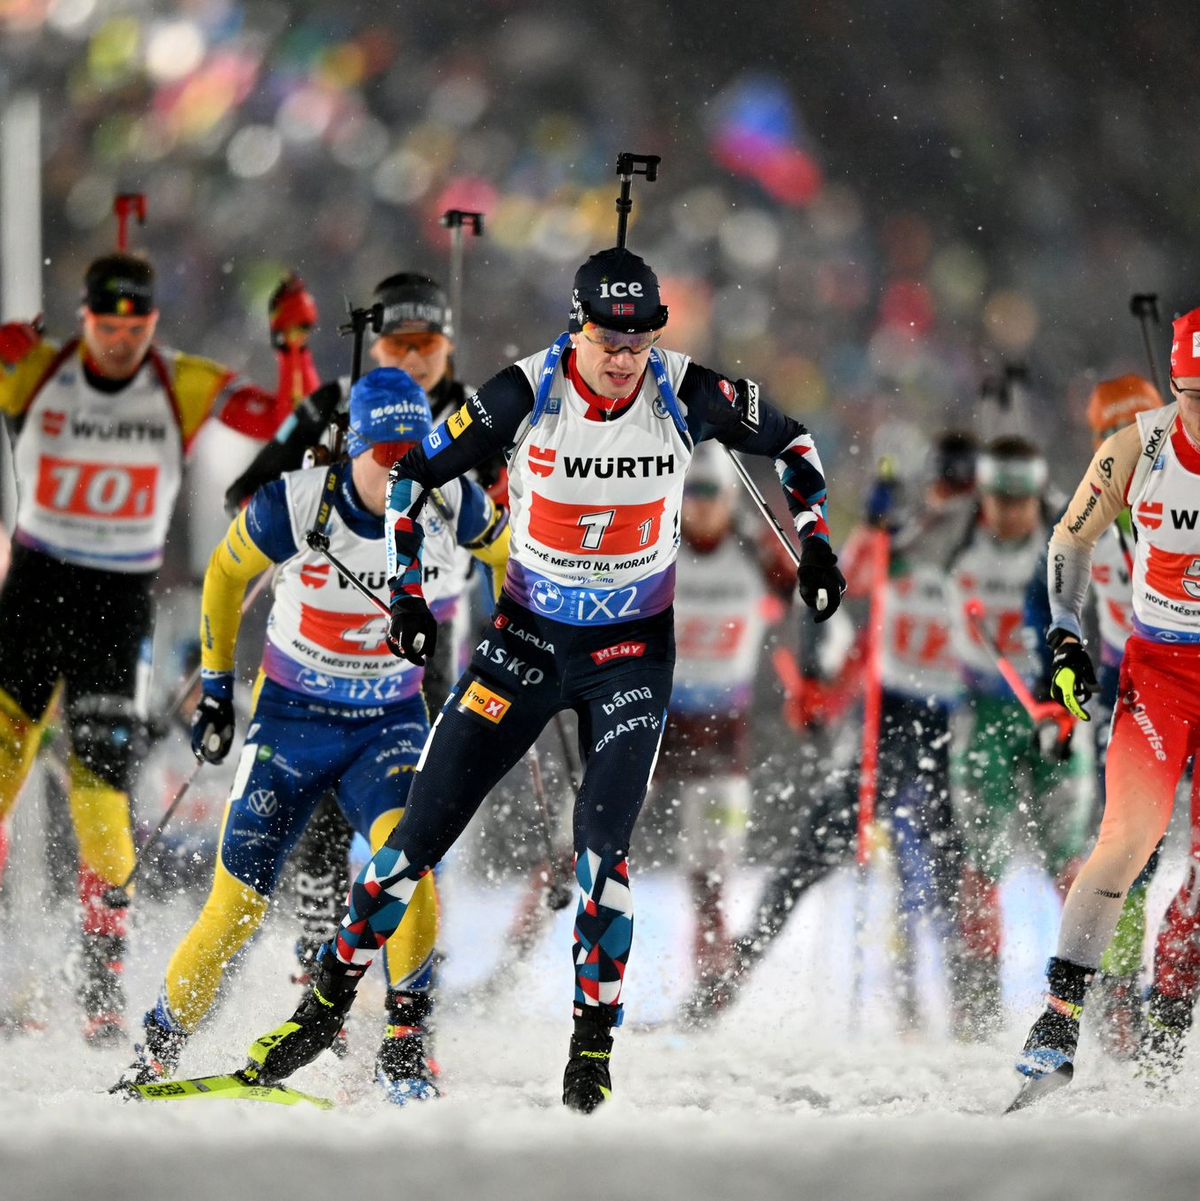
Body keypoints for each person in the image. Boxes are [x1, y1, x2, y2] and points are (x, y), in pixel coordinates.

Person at [239, 245, 845, 1112]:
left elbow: (793, 440)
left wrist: (816, 541)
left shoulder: (684, 388)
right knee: (411, 842)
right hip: (523, 645)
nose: (624, 357)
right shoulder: (525, 390)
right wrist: (408, 595)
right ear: (579, 325)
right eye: (609, 339)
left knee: (605, 851)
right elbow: (413, 476)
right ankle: (322, 1008)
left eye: (639, 341)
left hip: (630, 655)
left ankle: (591, 1048)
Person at [117, 367, 508, 1103]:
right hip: (292, 723)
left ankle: (405, 1047)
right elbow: (225, 578)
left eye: (413, 451)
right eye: (385, 453)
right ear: (353, 445)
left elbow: (509, 555)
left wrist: (521, 630)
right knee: (234, 908)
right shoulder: (296, 503)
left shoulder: (449, 494)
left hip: (387, 722)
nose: (403, 468)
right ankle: (155, 1049)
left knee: (405, 864)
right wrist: (214, 686)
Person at [0, 253, 311, 1042]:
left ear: (153, 325)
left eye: (135, 330)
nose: (119, 345)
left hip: (116, 604)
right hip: (33, 594)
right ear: (83, 317)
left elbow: (286, 413)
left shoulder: (180, 380)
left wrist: (293, 342)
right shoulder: (35, 367)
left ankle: (101, 988)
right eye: (106, 329)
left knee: (103, 803)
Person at [226, 273, 505, 982]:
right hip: (333, 634)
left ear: (448, 345)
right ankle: (319, 940)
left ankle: (410, 963)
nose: (413, 359)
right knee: (322, 794)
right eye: (397, 343)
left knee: (419, 808)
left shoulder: (486, 415)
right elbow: (248, 495)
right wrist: (322, 467)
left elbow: (514, 517)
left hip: (431, 635)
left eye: (428, 344)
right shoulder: (333, 405)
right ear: (375, 343)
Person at [1014, 306, 1200, 1095]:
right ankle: (1059, 1019)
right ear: (1177, 386)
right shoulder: (1140, 446)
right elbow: (1067, 537)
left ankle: (1170, 1004)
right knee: (1125, 839)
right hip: (1159, 673)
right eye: (1194, 397)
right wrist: (1063, 635)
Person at [1025, 375, 1165, 1057]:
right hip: (1124, 690)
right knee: (1121, 848)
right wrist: (1054, 682)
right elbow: (1042, 598)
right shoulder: (1089, 509)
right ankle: (1110, 990)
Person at [945, 436, 1090, 1040]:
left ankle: (1089, 995)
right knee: (983, 861)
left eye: (1021, 499)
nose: (1010, 512)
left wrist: (1068, 705)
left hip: (1052, 712)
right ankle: (977, 1003)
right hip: (985, 713)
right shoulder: (959, 541)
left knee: (1074, 859)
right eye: (999, 499)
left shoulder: (1061, 543)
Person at [650, 441, 794, 1014]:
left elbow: (810, 587)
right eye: (690, 493)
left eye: (710, 493)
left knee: (708, 872)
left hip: (721, 727)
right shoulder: (658, 543)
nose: (699, 506)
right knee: (581, 841)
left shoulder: (755, 551)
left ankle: (711, 984)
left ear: (731, 497)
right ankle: (520, 959)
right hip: (653, 718)